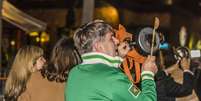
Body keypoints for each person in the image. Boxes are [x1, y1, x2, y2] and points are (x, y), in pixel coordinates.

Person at [66, 20, 158, 101]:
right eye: (111, 38)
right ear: (99, 46)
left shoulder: (75, 73)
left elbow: (101, 81)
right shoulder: (113, 78)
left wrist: (119, 58)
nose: (117, 41)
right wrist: (148, 75)